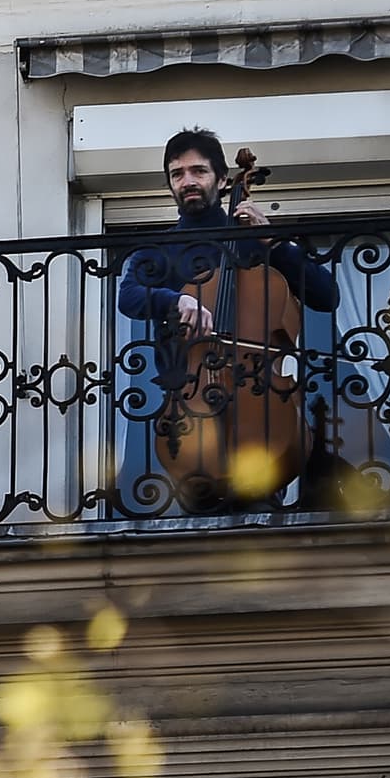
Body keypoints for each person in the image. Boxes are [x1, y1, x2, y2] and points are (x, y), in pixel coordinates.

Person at [116, 127, 341, 508]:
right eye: (177, 173)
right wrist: (177, 302)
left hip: (258, 396)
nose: (187, 181)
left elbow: (326, 295)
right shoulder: (157, 250)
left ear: (222, 180)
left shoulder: (256, 240)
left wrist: (275, 241)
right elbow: (129, 296)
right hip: (192, 407)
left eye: (198, 171)